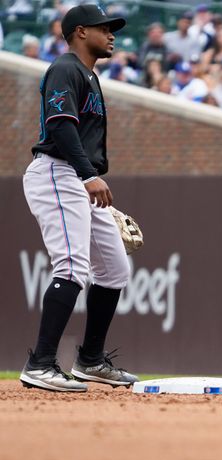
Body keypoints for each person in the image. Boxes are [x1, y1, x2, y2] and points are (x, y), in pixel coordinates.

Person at [20, 4, 139, 392]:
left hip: (78, 178)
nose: (112, 35)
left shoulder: (88, 75)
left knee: (115, 269)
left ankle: (90, 359)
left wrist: (88, 180)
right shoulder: (66, 68)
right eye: (104, 28)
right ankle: (40, 363)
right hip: (57, 171)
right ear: (80, 32)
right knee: (71, 266)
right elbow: (59, 125)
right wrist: (88, 175)